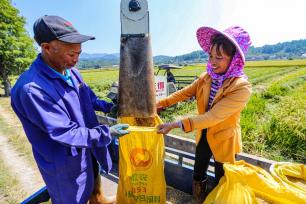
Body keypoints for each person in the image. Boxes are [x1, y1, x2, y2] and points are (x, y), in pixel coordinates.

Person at [11, 15, 129, 204]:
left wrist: (110, 107)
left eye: (79, 53)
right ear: (46, 47)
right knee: (73, 197)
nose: (76, 60)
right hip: (64, 161)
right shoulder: (32, 90)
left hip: (87, 147)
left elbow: (88, 98)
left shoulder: (71, 72)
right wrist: (108, 132)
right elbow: (66, 133)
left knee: (93, 182)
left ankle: (99, 200)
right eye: (71, 54)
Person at [157, 26, 252, 203]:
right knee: (198, 170)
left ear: (234, 59)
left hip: (224, 139)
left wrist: (175, 124)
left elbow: (212, 117)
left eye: (219, 57)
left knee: (222, 176)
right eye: (210, 56)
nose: (213, 62)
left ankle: (219, 200)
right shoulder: (206, 77)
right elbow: (183, 93)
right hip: (204, 134)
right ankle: (199, 198)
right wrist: (160, 103)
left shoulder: (241, 87)